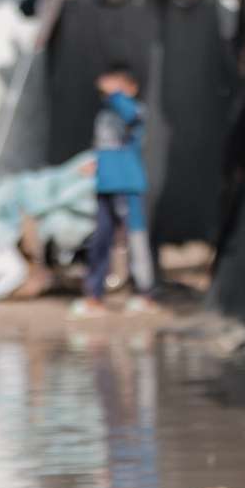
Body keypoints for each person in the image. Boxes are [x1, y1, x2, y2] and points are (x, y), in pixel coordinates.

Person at [74, 64, 154, 317]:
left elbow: (130, 116)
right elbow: (106, 146)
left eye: (120, 85)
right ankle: (94, 296)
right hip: (105, 184)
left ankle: (145, 294)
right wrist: (95, 163)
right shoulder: (105, 113)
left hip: (127, 184)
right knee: (101, 239)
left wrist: (116, 92)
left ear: (131, 88)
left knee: (135, 238)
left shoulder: (133, 108)